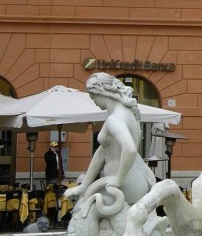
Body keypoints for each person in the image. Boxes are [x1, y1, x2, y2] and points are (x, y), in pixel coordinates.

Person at [63, 73, 156, 235]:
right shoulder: (128, 114)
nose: (92, 100)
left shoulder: (115, 119)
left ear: (101, 92)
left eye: (92, 95)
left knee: (89, 213)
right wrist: (84, 186)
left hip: (121, 186)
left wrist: (119, 178)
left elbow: (130, 149)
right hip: (134, 181)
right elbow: (102, 152)